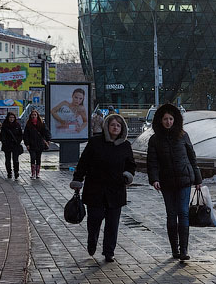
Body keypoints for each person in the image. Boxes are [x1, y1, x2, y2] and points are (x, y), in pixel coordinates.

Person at [69, 113, 135, 263]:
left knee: (113, 223)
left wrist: (127, 175)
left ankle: (109, 252)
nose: (115, 127)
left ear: (122, 128)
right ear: (107, 126)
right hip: (95, 189)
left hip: (116, 189)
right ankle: (92, 241)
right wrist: (78, 179)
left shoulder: (125, 145)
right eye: (112, 125)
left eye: (118, 125)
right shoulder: (95, 142)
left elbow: (131, 164)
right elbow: (83, 162)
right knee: (94, 220)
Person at [146, 104, 202, 261]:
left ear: (175, 119)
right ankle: (174, 249)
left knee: (183, 213)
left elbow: (192, 157)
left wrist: (198, 179)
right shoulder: (155, 139)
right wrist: (154, 179)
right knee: (171, 214)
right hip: (166, 182)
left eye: (171, 119)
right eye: (165, 119)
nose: (168, 122)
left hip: (184, 179)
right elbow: (152, 161)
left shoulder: (183, 135)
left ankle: (184, 250)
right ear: (160, 120)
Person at [23, 109, 52, 179]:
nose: (33, 116)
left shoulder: (41, 124)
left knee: (38, 158)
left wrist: (48, 140)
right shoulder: (28, 124)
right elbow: (25, 135)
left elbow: (46, 132)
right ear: (30, 116)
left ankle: (37, 173)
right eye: (32, 115)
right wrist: (27, 144)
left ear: (37, 116)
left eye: (35, 115)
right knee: (33, 158)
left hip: (40, 144)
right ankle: (33, 173)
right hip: (31, 144)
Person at [0, 112, 23, 180]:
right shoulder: (5, 125)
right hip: (7, 145)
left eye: (13, 117)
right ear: (8, 118)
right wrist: (4, 142)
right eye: (10, 117)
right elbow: (2, 136)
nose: (11, 119)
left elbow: (20, 135)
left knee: (15, 160)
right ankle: (9, 172)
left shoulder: (17, 125)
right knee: (8, 160)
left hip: (15, 145)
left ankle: (16, 172)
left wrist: (18, 141)